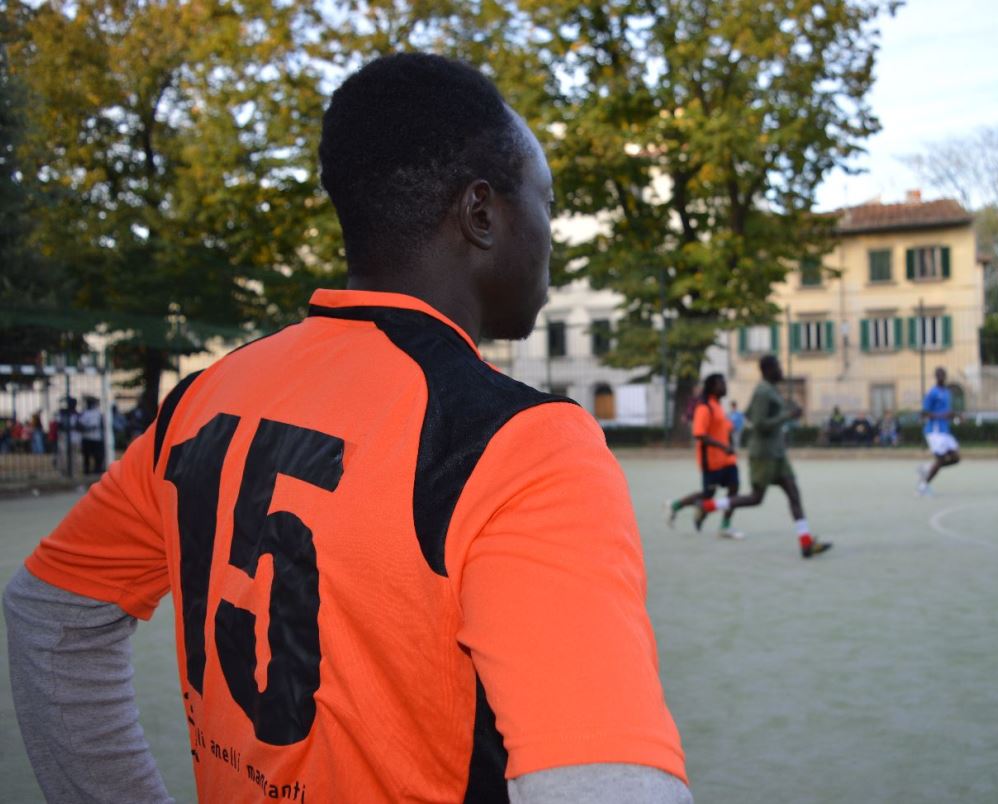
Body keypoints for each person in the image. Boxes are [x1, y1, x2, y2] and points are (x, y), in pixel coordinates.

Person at [3, 54, 690, 804]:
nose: (550, 238)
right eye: (546, 205)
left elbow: (52, 613)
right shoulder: (520, 444)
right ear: (482, 214)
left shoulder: (206, 395)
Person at [694, 356, 832, 558]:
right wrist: (788, 416)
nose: (781, 370)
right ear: (768, 370)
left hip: (777, 454)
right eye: (778, 367)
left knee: (794, 493)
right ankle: (707, 505)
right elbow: (759, 424)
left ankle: (805, 543)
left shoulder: (771, 390)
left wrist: (783, 413)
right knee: (755, 499)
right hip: (763, 455)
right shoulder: (763, 391)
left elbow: (750, 414)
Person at [665, 374, 743, 539]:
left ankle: (725, 526)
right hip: (711, 462)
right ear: (712, 387)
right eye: (721, 383)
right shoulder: (704, 407)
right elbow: (699, 434)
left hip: (727, 460)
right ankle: (675, 506)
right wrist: (723, 446)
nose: (725, 386)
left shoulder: (717, 405)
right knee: (707, 495)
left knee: (734, 490)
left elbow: (725, 428)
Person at [917, 367, 961, 496]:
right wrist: (943, 415)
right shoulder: (932, 393)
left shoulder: (947, 392)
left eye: (943, 375)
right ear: (936, 377)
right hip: (934, 431)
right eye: (939, 375)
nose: (941, 377)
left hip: (945, 431)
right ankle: (923, 485)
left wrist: (956, 416)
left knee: (956, 458)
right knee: (941, 459)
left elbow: (947, 412)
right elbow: (924, 413)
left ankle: (928, 468)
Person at [78, 396, 105, 474]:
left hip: (96, 438)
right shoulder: (85, 413)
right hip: (87, 438)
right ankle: (87, 470)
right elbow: (80, 424)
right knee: (86, 456)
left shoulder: (97, 413)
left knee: (98, 456)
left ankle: (97, 469)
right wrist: (87, 427)